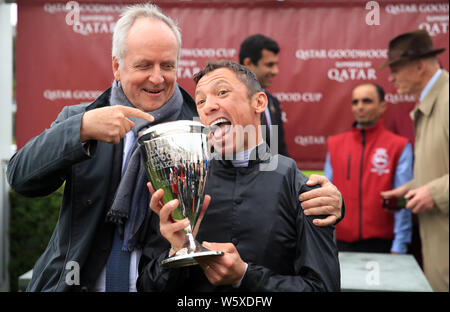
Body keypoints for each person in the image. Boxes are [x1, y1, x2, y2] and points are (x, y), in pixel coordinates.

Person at [7, 4, 342, 292]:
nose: (157, 78)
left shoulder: (200, 124)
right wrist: (79, 131)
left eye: (167, 66)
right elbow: (22, 177)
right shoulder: (81, 120)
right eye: (143, 65)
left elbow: (260, 163)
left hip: (157, 280)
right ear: (116, 66)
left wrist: (318, 196)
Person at [137, 60, 341, 292]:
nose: (208, 106)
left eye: (222, 92)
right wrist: (177, 251)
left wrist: (246, 277)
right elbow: (146, 285)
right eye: (200, 100)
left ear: (259, 102)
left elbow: (324, 287)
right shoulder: (180, 185)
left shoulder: (302, 189)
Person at [380, 29, 448, 291]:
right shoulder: (433, 102)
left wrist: (433, 191)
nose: (391, 77)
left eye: (396, 68)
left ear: (419, 66)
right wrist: (413, 187)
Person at [324, 83, 413, 254]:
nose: (360, 107)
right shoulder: (335, 144)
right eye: (355, 102)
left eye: (367, 101)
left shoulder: (399, 146)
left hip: (383, 245)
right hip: (340, 244)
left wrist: (399, 245)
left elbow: (403, 199)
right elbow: (327, 197)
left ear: (383, 106)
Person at [239, 34, 289, 157]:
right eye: (269, 65)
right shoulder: (228, 102)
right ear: (248, 63)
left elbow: (278, 151)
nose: (275, 71)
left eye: (276, 64)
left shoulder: (272, 102)